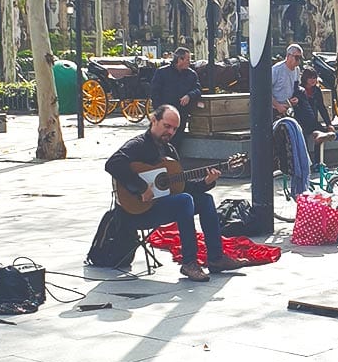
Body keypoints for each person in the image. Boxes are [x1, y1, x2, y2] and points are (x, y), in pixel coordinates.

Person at [105, 104, 248, 282]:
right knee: (184, 201)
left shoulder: (169, 150)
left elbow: (181, 186)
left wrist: (205, 182)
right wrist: (142, 187)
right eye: (167, 126)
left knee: (205, 200)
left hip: (159, 207)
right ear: (153, 120)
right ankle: (189, 262)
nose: (170, 132)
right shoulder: (138, 145)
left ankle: (216, 258)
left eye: (174, 129)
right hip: (135, 211)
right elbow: (112, 164)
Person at [149, 47, 201, 153]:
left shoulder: (191, 74)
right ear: (180, 60)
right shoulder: (162, 72)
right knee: (156, 141)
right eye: (187, 59)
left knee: (176, 142)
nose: (189, 62)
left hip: (180, 115)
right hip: (163, 115)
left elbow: (198, 89)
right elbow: (154, 92)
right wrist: (159, 112)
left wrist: (189, 96)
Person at [293, 67, 336, 164]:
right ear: (305, 78)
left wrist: (329, 123)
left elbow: (322, 107)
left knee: (324, 134)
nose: (313, 80)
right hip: (301, 122)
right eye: (310, 78)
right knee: (303, 141)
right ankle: (306, 163)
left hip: (313, 121)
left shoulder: (316, 90)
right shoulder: (299, 90)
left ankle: (318, 162)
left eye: (314, 78)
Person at [272, 43, 303, 119]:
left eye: (300, 58)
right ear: (289, 56)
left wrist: (296, 98)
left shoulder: (297, 69)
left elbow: (296, 87)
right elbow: (265, 91)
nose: (298, 60)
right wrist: (278, 106)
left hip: (289, 108)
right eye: (297, 57)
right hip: (274, 109)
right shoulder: (277, 69)